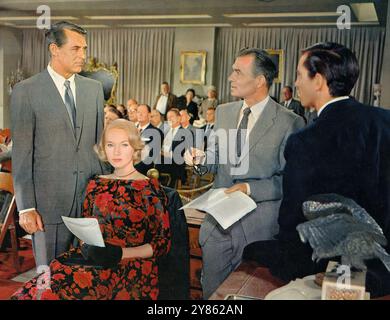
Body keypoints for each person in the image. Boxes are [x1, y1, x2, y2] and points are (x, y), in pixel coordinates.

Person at [244, 42, 390, 297]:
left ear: (319, 81)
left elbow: (292, 224)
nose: (296, 83)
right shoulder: (384, 120)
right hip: (382, 262)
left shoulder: (304, 142)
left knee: (250, 251)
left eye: (300, 76)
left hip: (329, 266)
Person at [185, 48, 305, 298]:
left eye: (238, 72)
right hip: (217, 227)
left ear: (260, 80)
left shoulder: (290, 122)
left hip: (258, 230)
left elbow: (290, 182)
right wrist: (200, 159)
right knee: (211, 296)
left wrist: (249, 188)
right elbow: (215, 159)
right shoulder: (224, 112)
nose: (230, 77)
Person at [11, 119, 171, 300]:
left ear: (135, 148)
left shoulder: (149, 188)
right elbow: (86, 230)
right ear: (103, 148)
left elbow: (162, 243)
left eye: (124, 145)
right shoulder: (96, 183)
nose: (116, 152)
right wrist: (86, 246)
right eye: (110, 145)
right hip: (93, 261)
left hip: (130, 267)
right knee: (35, 291)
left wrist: (120, 254)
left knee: (54, 293)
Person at [10, 21, 106, 267]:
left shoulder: (94, 90)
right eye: (76, 49)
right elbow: (22, 155)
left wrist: (105, 197)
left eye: (84, 49)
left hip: (89, 205)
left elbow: (99, 149)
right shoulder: (26, 91)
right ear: (54, 49)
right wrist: (26, 208)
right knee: (50, 279)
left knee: (87, 279)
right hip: (47, 208)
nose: (83, 55)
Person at [134, 104, 163, 175]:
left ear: (149, 115)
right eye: (138, 112)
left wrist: (134, 167)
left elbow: (151, 156)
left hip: (144, 167)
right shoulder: (131, 129)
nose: (140, 114)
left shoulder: (156, 132)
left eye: (143, 112)